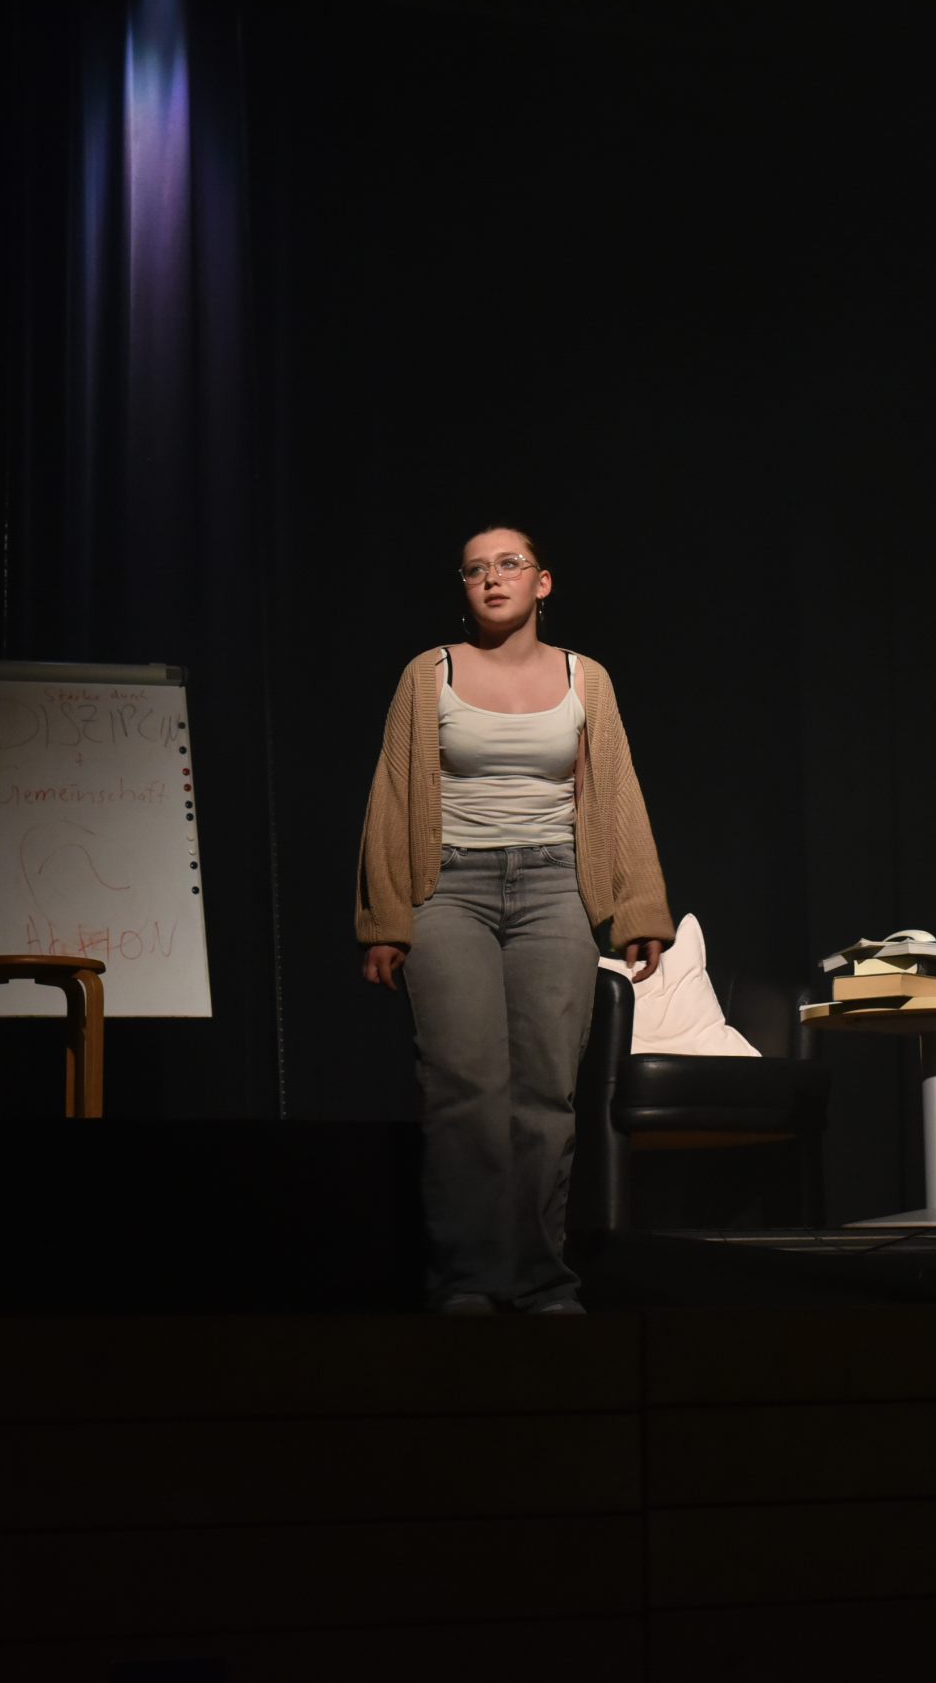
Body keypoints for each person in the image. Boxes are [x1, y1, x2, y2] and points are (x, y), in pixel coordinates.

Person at [356, 527, 673, 1314]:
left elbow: (617, 789)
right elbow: (392, 795)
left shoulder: (583, 676)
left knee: (545, 1091)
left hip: (555, 886)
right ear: (464, 588)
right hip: (448, 888)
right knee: (465, 1089)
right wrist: (386, 920)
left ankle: (538, 1279)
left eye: (509, 565)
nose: (492, 579)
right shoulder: (430, 672)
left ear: (542, 582)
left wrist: (638, 906)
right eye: (476, 570)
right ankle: (469, 1278)